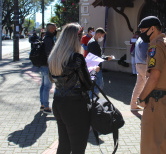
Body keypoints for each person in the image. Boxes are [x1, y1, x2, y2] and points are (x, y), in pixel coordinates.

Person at [48, 23, 98, 153]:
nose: (81, 40)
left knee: (64, 145)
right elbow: (88, 85)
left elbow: (52, 78)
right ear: (75, 38)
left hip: (58, 103)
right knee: (78, 147)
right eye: (80, 37)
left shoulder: (54, 57)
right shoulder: (77, 58)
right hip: (75, 105)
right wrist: (93, 72)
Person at [137, 16, 166, 154]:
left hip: (157, 102)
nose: (141, 34)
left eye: (143, 30)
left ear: (153, 29)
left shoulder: (156, 46)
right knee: (164, 144)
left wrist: (141, 97)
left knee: (150, 145)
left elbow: (154, 76)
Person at [87, 27, 112, 97]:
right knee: (98, 85)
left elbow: (97, 55)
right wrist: (106, 58)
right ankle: (92, 100)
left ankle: (92, 100)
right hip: (95, 68)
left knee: (98, 85)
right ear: (98, 34)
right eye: (102, 36)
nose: (102, 38)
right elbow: (97, 57)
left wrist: (105, 57)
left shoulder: (93, 42)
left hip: (94, 67)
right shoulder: (93, 43)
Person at [39, 23, 57, 114]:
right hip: (47, 66)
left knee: (43, 86)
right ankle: (46, 107)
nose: (55, 30)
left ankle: (42, 104)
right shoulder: (49, 39)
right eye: (54, 29)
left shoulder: (45, 37)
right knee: (47, 86)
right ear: (51, 29)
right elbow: (50, 53)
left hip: (43, 65)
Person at [130, 30, 149, 111]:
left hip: (139, 64)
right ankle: (145, 105)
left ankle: (133, 104)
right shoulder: (144, 41)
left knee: (139, 86)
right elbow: (144, 56)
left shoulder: (139, 39)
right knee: (147, 86)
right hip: (144, 65)